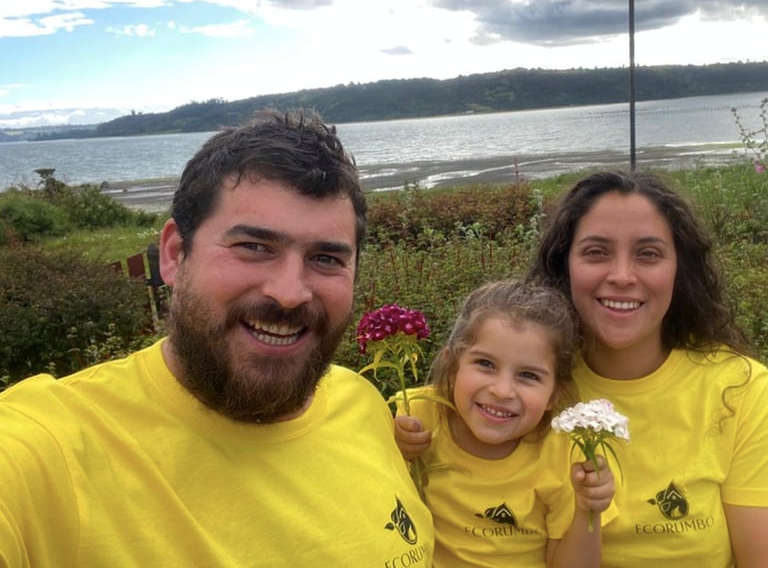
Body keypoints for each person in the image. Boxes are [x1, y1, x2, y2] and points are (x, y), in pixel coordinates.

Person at [0, 109, 434, 567]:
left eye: (326, 258)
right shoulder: (49, 450)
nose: (289, 294)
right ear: (174, 255)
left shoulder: (362, 402)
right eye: (254, 247)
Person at [527, 169, 768, 567]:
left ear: (680, 268)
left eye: (648, 254)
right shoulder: (524, 391)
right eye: (596, 252)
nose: (621, 276)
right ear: (563, 264)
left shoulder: (742, 390)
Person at [394, 279, 616, 568]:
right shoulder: (420, 414)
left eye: (529, 376)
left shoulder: (565, 454)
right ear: (452, 368)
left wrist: (588, 510)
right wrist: (394, 449)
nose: (502, 390)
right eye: (485, 364)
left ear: (554, 395)